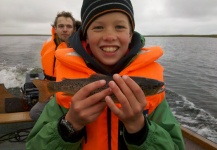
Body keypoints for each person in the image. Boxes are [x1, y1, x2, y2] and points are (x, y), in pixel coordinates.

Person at [26, 0, 185, 149]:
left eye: (120, 27)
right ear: (85, 36)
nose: (109, 36)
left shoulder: (156, 100)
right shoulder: (61, 100)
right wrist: (69, 124)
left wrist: (139, 129)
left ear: (130, 34)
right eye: (98, 27)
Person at [29, 11, 81, 121]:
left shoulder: (81, 48)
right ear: (55, 29)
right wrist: (51, 91)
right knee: (35, 113)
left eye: (69, 26)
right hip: (51, 89)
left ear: (74, 29)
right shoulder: (47, 45)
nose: (65, 29)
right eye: (61, 26)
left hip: (73, 93)